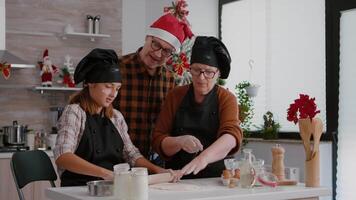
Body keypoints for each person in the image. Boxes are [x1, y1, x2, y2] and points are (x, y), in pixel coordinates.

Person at [53, 48, 176, 186]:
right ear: (90, 84)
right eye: (108, 86)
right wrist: (106, 174)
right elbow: (63, 156)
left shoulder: (116, 117)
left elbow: (131, 154)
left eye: (117, 88)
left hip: (111, 189)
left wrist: (157, 170)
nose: (113, 94)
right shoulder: (75, 112)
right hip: (78, 189)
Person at [152, 36, 243, 179]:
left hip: (216, 179)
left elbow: (231, 137)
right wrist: (179, 142)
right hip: (178, 177)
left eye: (208, 72)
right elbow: (158, 140)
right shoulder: (175, 96)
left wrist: (203, 158)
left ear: (218, 73)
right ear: (190, 69)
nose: (201, 77)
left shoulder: (226, 98)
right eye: (196, 70)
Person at [114, 13, 193, 160]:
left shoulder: (171, 80)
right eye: (155, 44)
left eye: (167, 51)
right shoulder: (117, 68)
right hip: (116, 159)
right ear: (147, 38)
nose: (158, 54)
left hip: (155, 162)